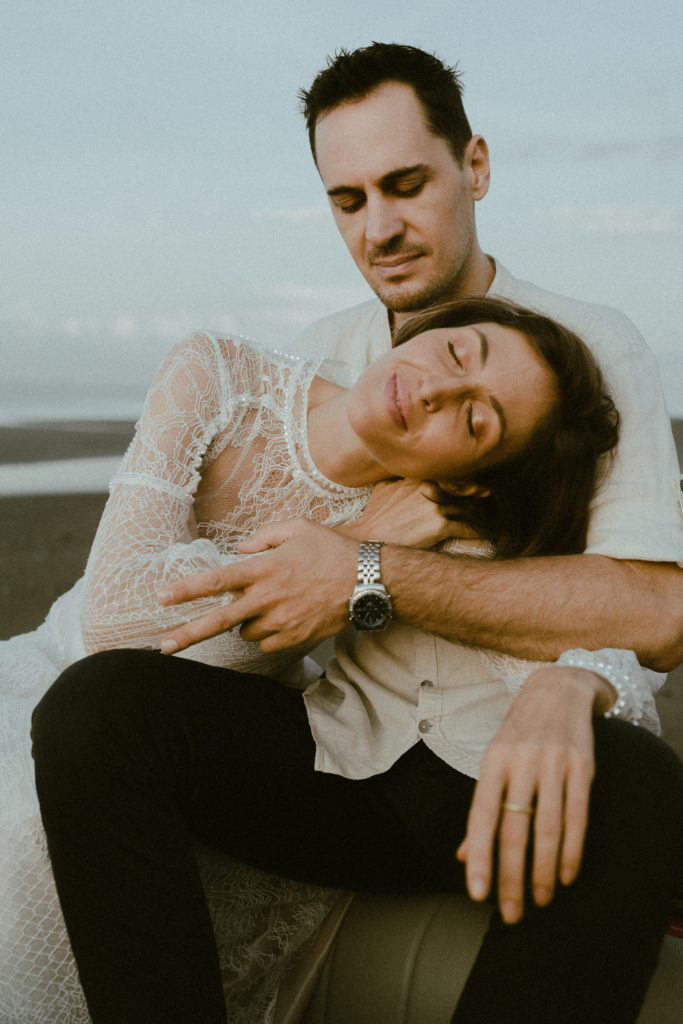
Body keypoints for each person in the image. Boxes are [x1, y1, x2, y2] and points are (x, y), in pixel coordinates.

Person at [29, 43, 683, 1024]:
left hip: (495, 769)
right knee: (99, 707)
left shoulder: (590, 343)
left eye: (406, 184)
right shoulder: (312, 364)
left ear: (476, 166)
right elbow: (240, 607)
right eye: (348, 199)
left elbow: (657, 608)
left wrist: (385, 579)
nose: (379, 227)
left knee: (635, 784)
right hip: (332, 753)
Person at [4, 295, 619, 1023]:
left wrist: (575, 684)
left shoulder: (437, 512)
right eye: (457, 353)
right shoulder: (219, 374)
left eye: (473, 419)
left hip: (171, 732)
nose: (432, 389)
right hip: (57, 675)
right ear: (435, 330)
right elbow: (111, 624)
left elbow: (566, 643)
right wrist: (356, 542)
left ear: (468, 480)